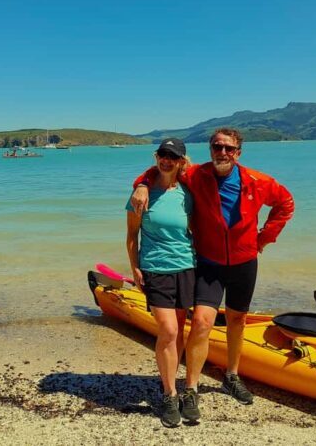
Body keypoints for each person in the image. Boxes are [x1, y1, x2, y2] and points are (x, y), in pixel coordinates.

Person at [130, 127, 294, 421]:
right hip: (209, 262)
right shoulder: (196, 175)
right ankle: (190, 388)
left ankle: (231, 375)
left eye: (228, 148)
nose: (222, 153)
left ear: (238, 153)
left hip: (245, 262)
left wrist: (263, 239)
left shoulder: (258, 181)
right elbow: (162, 167)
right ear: (210, 150)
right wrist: (141, 183)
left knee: (237, 319)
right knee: (202, 322)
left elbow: (286, 204)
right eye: (217, 147)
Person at [126, 138, 195, 428]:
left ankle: (180, 388)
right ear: (156, 157)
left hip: (188, 267)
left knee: (179, 331)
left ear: (181, 161)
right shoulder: (141, 196)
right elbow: (131, 237)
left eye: (173, 156)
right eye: (162, 155)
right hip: (155, 269)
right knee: (168, 330)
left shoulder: (188, 192)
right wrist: (135, 268)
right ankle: (169, 394)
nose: (166, 160)